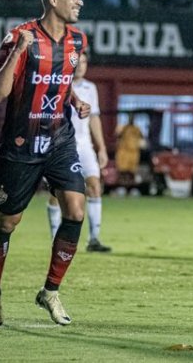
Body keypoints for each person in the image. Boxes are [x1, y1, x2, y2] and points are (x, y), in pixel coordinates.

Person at [0, 0, 89, 327]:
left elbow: (58, 83)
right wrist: (18, 52)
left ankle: (50, 291)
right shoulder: (20, 37)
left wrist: (73, 100)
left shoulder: (78, 40)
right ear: (54, 0)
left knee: (76, 209)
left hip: (59, 139)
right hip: (21, 144)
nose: (80, 1)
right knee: (7, 222)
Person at [46, 51, 111, 252]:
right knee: (58, 193)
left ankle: (94, 239)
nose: (81, 66)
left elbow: (94, 118)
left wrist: (101, 148)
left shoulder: (90, 88)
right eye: (77, 62)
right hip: (61, 144)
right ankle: (55, 238)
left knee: (94, 186)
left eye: (84, 62)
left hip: (83, 144)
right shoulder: (56, 84)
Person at [115, 114, 144, 191]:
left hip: (134, 152)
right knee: (123, 171)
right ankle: (122, 186)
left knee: (132, 171)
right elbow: (117, 136)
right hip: (124, 151)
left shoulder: (137, 129)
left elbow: (142, 137)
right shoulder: (123, 128)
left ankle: (131, 188)